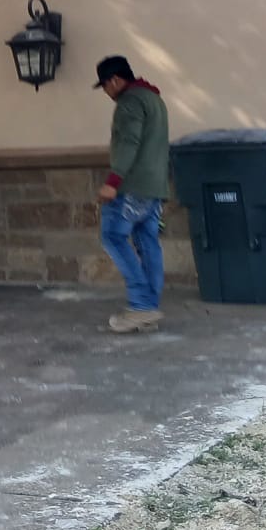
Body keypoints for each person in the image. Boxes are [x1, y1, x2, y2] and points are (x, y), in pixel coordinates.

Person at [94, 55, 170, 333]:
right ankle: (148, 309)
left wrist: (113, 181)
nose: (106, 92)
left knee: (112, 235)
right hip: (154, 187)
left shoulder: (129, 103)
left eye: (104, 86)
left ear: (115, 80)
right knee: (147, 242)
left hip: (131, 186)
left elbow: (128, 142)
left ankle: (140, 306)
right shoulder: (154, 100)